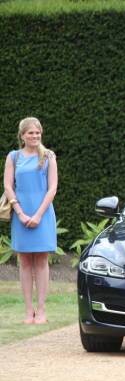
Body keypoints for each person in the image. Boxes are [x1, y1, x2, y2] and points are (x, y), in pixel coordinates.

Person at [3, 117, 58, 325]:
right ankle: (28, 311)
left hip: (43, 214)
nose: (34, 136)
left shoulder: (49, 156)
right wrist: (20, 212)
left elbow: (52, 188)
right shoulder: (13, 157)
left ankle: (42, 310)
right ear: (22, 136)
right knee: (25, 262)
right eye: (30, 133)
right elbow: (8, 186)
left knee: (42, 261)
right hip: (21, 214)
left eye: (37, 133)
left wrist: (37, 215)